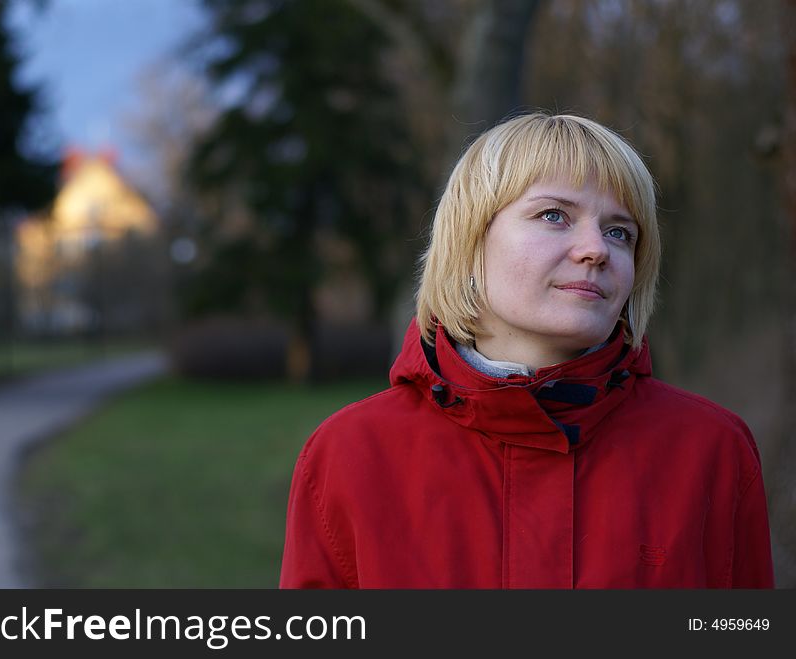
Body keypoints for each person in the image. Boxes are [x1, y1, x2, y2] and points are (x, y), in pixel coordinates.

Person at [279, 112, 775, 588]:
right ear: (470, 242)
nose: (596, 249)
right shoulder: (350, 454)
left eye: (619, 231)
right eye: (554, 215)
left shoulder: (711, 450)